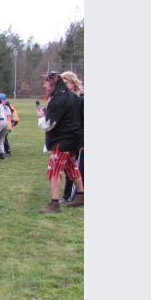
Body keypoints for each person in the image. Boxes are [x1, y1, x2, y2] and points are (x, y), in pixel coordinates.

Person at [37, 71, 84, 213]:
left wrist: (41, 117)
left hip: (62, 140)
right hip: (73, 139)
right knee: (71, 167)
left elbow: (48, 124)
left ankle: (55, 204)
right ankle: (81, 196)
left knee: (54, 170)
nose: (44, 85)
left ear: (53, 83)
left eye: (46, 82)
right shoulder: (71, 96)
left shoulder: (59, 98)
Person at [61, 71, 84, 202]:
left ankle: (75, 196)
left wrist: (82, 142)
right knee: (68, 167)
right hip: (68, 138)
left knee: (76, 169)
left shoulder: (81, 99)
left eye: (66, 83)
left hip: (78, 139)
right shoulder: (67, 99)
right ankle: (68, 195)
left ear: (73, 83)